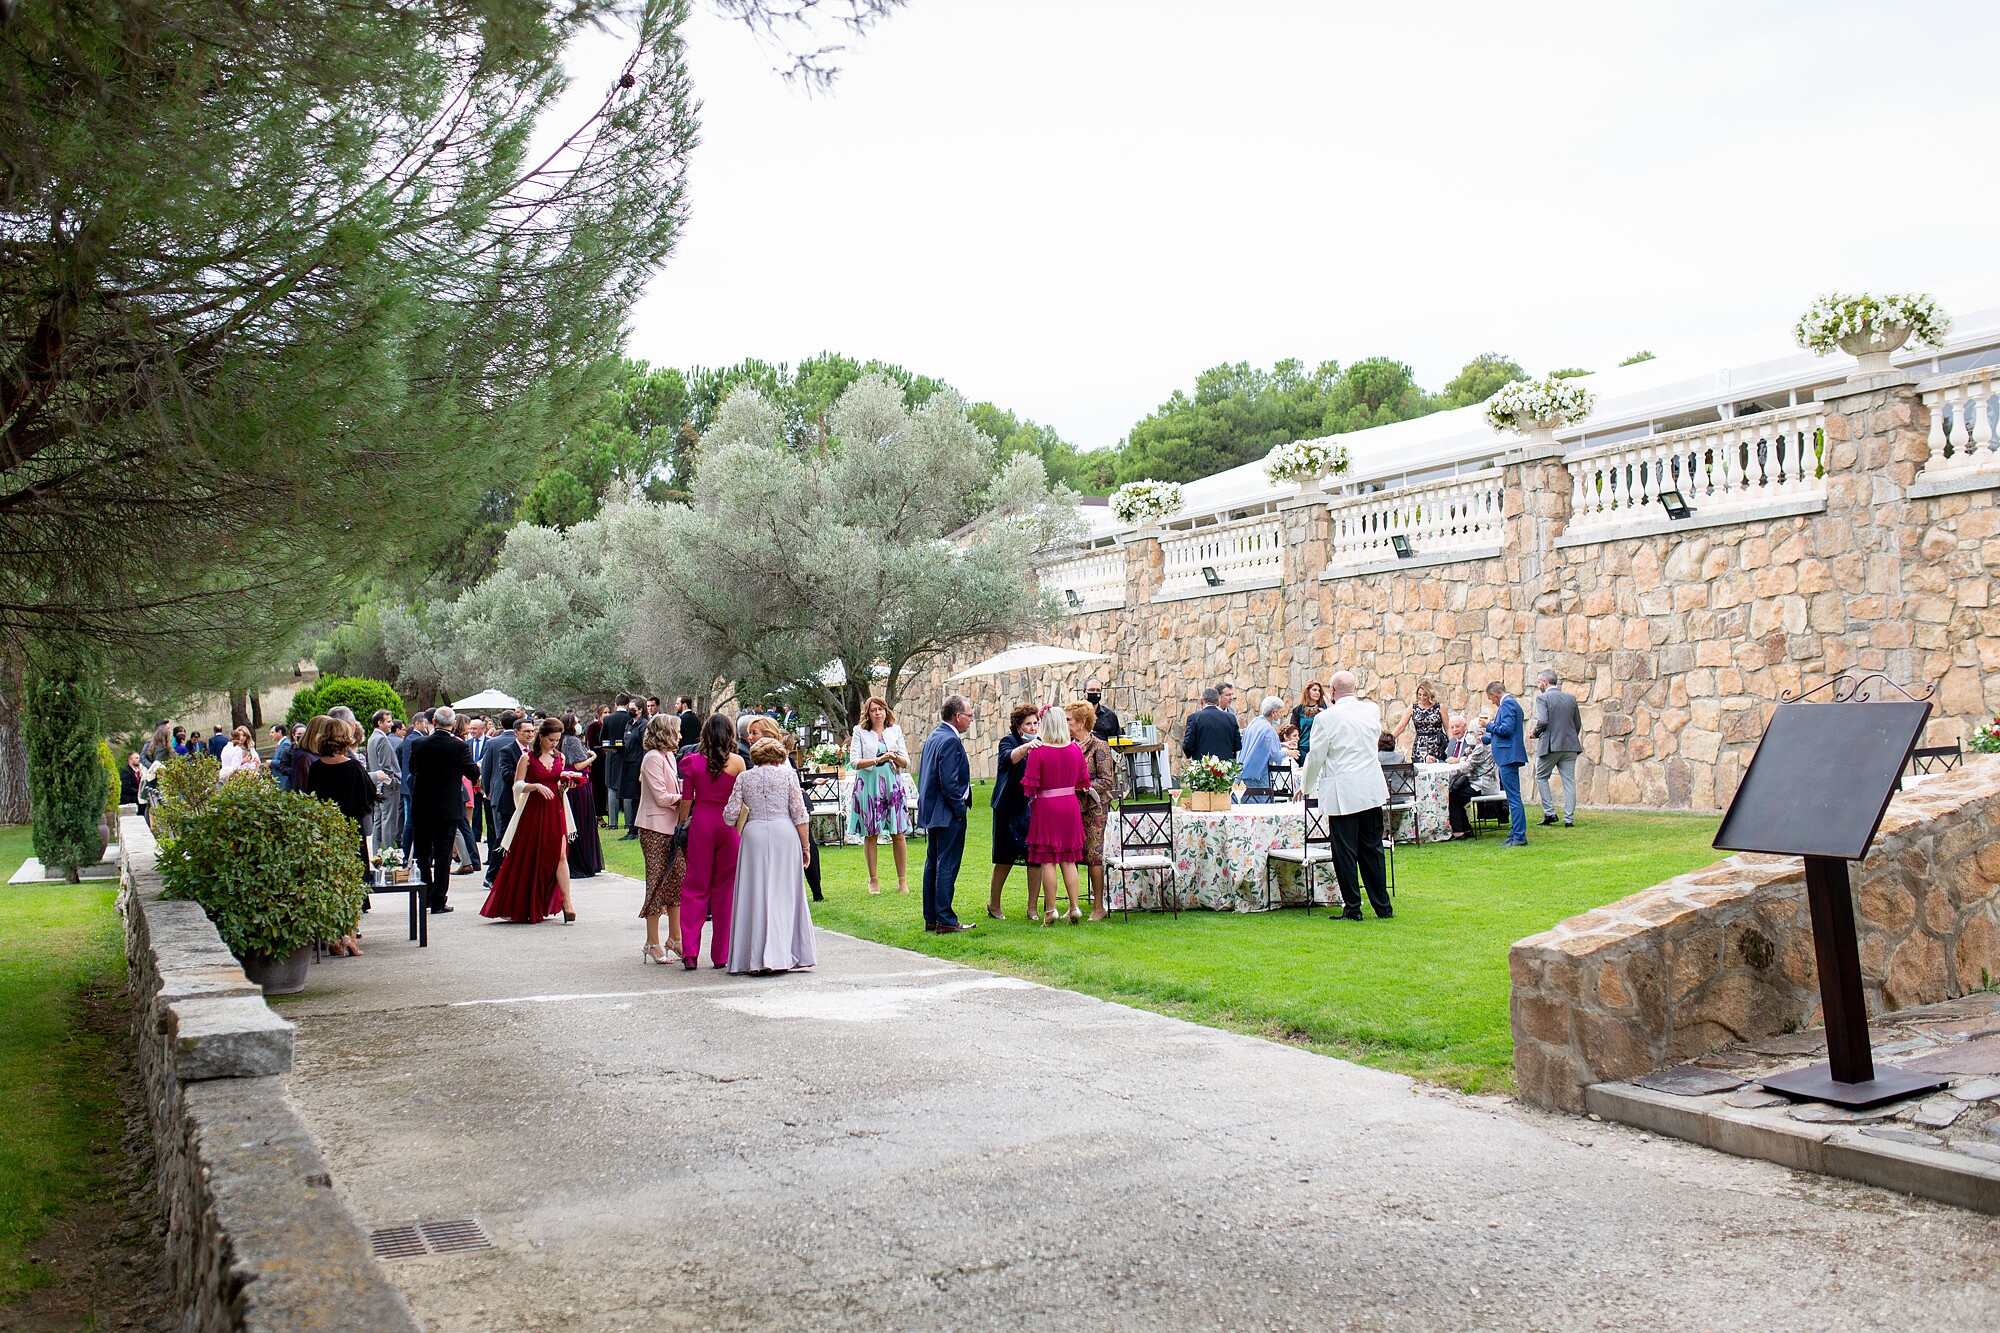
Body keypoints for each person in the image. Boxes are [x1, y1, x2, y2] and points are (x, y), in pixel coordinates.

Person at [1300, 671, 1393, 921]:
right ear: (1356, 688)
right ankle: (1383, 907)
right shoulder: (1371, 710)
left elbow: (1316, 756)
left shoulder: (1326, 719)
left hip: (1343, 790)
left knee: (1345, 852)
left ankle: (1353, 907)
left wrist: (1305, 785)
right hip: (1370, 788)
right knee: (1372, 848)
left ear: (1331, 691)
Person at [723, 737, 818, 973]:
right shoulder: (788, 776)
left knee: (754, 894)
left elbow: (729, 815)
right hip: (784, 834)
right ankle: (783, 953)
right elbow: (800, 814)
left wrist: (744, 819)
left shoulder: (744, 778)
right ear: (779, 757)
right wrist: (805, 847)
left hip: (754, 836)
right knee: (785, 894)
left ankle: (753, 956)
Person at [480, 717, 579, 924]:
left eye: (557, 740)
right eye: (551, 740)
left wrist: (565, 785)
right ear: (541, 736)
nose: (554, 744)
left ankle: (567, 902)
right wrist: (535, 786)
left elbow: (558, 784)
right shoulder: (527, 758)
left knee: (561, 855)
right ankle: (529, 900)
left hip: (556, 809)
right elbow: (517, 785)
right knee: (533, 855)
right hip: (533, 811)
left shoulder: (560, 757)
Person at [677, 714, 746, 970]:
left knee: (695, 886)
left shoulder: (692, 762)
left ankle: (690, 951)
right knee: (725, 890)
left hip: (702, 823)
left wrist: (680, 824)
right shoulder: (738, 762)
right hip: (728, 826)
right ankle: (721, 955)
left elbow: (686, 799)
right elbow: (742, 799)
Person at [301, 714, 373, 955]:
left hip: (326, 830)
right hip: (350, 828)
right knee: (353, 883)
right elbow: (368, 797)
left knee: (331, 882)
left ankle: (333, 935)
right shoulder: (353, 766)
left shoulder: (316, 768)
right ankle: (350, 936)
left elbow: (311, 799)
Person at [406, 706, 480, 913]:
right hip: (447, 805)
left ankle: (425, 894)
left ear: (434, 722)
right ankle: (439, 899)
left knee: (422, 852)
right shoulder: (459, 746)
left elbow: (412, 768)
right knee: (443, 852)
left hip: (422, 803)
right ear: (454, 724)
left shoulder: (419, 743)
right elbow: (472, 772)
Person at [1021, 704, 1089, 926]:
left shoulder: (1038, 752)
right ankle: (1074, 907)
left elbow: (1030, 787)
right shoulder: (1075, 750)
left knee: (1048, 860)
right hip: (1070, 805)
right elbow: (1082, 782)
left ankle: (1051, 910)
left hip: (1047, 807)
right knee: (1069, 859)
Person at [916, 696, 976, 934]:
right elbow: (949, 782)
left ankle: (932, 917)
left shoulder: (934, 736)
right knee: (946, 865)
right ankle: (945, 919)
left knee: (934, 863)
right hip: (948, 812)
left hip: (934, 811)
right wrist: (959, 809)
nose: (971, 720)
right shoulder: (950, 740)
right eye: (969, 715)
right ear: (958, 716)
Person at [847, 697, 912, 895]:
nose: (877, 713)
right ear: (868, 713)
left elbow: (906, 762)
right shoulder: (860, 731)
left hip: (892, 785)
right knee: (871, 833)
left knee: (898, 832)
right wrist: (877, 759)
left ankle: (902, 880)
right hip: (869, 785)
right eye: (873, 710)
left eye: (881, 709)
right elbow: (854, 762)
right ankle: (873, 880)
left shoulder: (895, 730)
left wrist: (894, 757)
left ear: (886, 711)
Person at [634, 713, 685, 965]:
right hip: (654, 829)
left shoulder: (669, 756)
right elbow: (662, 797)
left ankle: (675, 937)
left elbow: (673, 788)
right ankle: (652, 942)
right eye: (677, 731)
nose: (680, 736)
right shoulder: (652, 758)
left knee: (677, 880)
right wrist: (690, 795)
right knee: (657, 882)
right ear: (666, 733)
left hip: (672, 827)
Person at [986, 704, 1039, 921]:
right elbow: (1009, 758)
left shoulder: (1042, 743)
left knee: (1035, 858)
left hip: (1033, 808)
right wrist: (1027, 747)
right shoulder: (1008, 741)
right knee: (1004, 857)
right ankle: (994, 904)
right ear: (1018, 726)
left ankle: (1032, 908)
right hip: (1008, 807)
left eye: (1036, 723)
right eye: (1028, 724)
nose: (1033, 727)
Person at [1067, 700, 1118, 921]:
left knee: (1093, 853)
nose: (1066, 724)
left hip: (1094, 807)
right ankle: (1074, 905)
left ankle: (1099, 906)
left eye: (1069, 720)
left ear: (1082, 722)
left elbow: (1107, 781)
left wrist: (1081, 786)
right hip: (1070, 807)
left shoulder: (1100, 746)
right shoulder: (1067, 746)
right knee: (1070, 853)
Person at [479, 712, 527, 886]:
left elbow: (486, 769)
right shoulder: (504, 747)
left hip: (502, 793)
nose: (530, 734)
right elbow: (503, 772)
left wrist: (486, 789)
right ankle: (493, 874)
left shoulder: (492, 743)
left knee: (501, 833)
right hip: (506, 795)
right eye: (527, 731)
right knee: (504, 835)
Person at [1532, 669, 1584, 828]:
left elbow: (1543, 721)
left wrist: (1535, 732)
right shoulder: (1570, 698)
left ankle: (1550, 813)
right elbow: (1577, 724)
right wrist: (1569, 738)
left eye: (1539, 682)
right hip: (1570, 745)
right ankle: (1569, 819)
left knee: (1541, 777)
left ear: (1545, 682)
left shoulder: (1542, 698)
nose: (1539, 685)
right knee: (1569, 782)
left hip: (1551, 746)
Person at [1481, 679, 1529, 847]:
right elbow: (1505, 732)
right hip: (1508, 755)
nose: (1492, 703)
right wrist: (1485, 738)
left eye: (1491, 699)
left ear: (1494, 694)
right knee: (1512, 796)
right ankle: (1514, 833)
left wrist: (1488, 725)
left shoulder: (1507, 704)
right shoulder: (1511, 704)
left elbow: (1506, 729)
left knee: (1513, 798)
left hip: (1508, 756)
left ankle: (1519, 836)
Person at [558, 712, 603, 877]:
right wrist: (593, 758)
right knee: (581, 820)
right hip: (578, 785)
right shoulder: (572, 740)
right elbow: (578, 765)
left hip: (571, 786)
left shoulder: (563, 740)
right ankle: (583, 861)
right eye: (576, 722)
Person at [1443, 716, 1498, 840]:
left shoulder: (1481, 747)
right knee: (1456, 795)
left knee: (1453, 798)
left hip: (1482, 784)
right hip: (1482, 782)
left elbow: (1467, 768)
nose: (1469, 735)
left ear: (1479, 734)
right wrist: (1468, 755)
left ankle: (1459, 832)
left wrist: (1461, 759)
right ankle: (1466, 829)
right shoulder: (1480, 746)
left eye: (1472, 732)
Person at [365, 709, 402, 850]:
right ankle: (388, 852)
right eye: (389, 721)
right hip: (387, 786)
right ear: (380, 723)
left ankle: (377, 852)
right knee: (389, 820)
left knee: (378, 820)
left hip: (378, 785)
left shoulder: (372, 738)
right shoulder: (381, 739)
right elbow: (386, 766)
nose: (391, 724)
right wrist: (393, 782)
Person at [1238, 696, 1286, 799]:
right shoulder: (1269, 730)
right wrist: (1288, 753)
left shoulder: (1254, 723)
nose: (1281, 715)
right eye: (1280, 712)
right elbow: (1275, 754)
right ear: (1273, 712)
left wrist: (1283, 744)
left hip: (1243, 772)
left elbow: (1260, 743)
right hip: (1258, 777)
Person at [1181, 686, 1242, 763]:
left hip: (1202, 765)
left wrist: (1194, 755)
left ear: (1201, 701)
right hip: (1225, 766)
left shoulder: (1194, 718)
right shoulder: (1230, 718)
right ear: (1217, 702)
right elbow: (1237, 745)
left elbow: (1188, 745)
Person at [601, 695, 634, 829]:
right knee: (627, 788)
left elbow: (602, 739)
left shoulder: (608, 719)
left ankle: (613, 822)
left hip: (612, 756)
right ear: (627, 705)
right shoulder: (630, 719)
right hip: (628, 756)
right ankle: (628, 822)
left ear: (615, 704)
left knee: (612, 788)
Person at [1393, 681, 1447, 765]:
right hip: (1420, 746)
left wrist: (1453, 744)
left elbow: (1447, 728)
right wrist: (1387, 740)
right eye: (1420, 694)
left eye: (1425, 695)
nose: (1422, 697)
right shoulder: (1413, 708)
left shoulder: (1440, 707)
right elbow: (1401, 727)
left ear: (1430, 694)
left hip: (1437, 744)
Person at [615, 712, 643, 840]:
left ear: (640, 710)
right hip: (627, 762)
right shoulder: (629, 724)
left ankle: (634, 829)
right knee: (631, 797)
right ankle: (632, 828)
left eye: (633, 709)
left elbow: (644, 746)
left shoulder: (643, 725)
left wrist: (642, 768)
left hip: (637, 764)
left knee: (636, 797)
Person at [466, 717, 492, 846]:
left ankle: (490, 835)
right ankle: (476, 834)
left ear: (482, 729)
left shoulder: (490, 742)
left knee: (487, 809)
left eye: (474, 729)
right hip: (472, 780)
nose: (472, 731)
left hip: (486, 780)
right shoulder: (467, 743)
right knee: (475, 808)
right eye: (470, 728)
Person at [1291, 680, 1327, 761]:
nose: (1317, 693)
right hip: (1303, 749)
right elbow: (1293, 731)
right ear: (1307, 691)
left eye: (1319, 691)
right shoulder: (1298, 710)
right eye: (1314, 690)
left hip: (1320, 748)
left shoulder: (1325, 708)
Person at [269, 724, 294, 791]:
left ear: (279, 732)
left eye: (272, 732)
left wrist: (271, 762)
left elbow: (283, 762)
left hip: (283, 780)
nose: (270, 735)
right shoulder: (281, 744)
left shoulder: (285, 744)